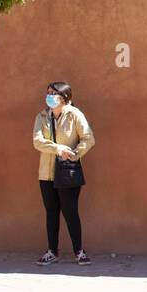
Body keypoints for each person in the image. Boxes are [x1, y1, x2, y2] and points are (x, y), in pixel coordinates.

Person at [33, 82, 95, 265]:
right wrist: (57, 148)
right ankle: (52, 251)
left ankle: (79, 251)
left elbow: (89, 138)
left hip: (68, 171)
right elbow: (37, 141)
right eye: (48, 93)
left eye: (54, 93)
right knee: (51, 213)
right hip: (46, 173)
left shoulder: (75, 115)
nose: (50, 96)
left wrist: (75, 155)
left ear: (65, 96)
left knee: (70, 212)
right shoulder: (42, 116)